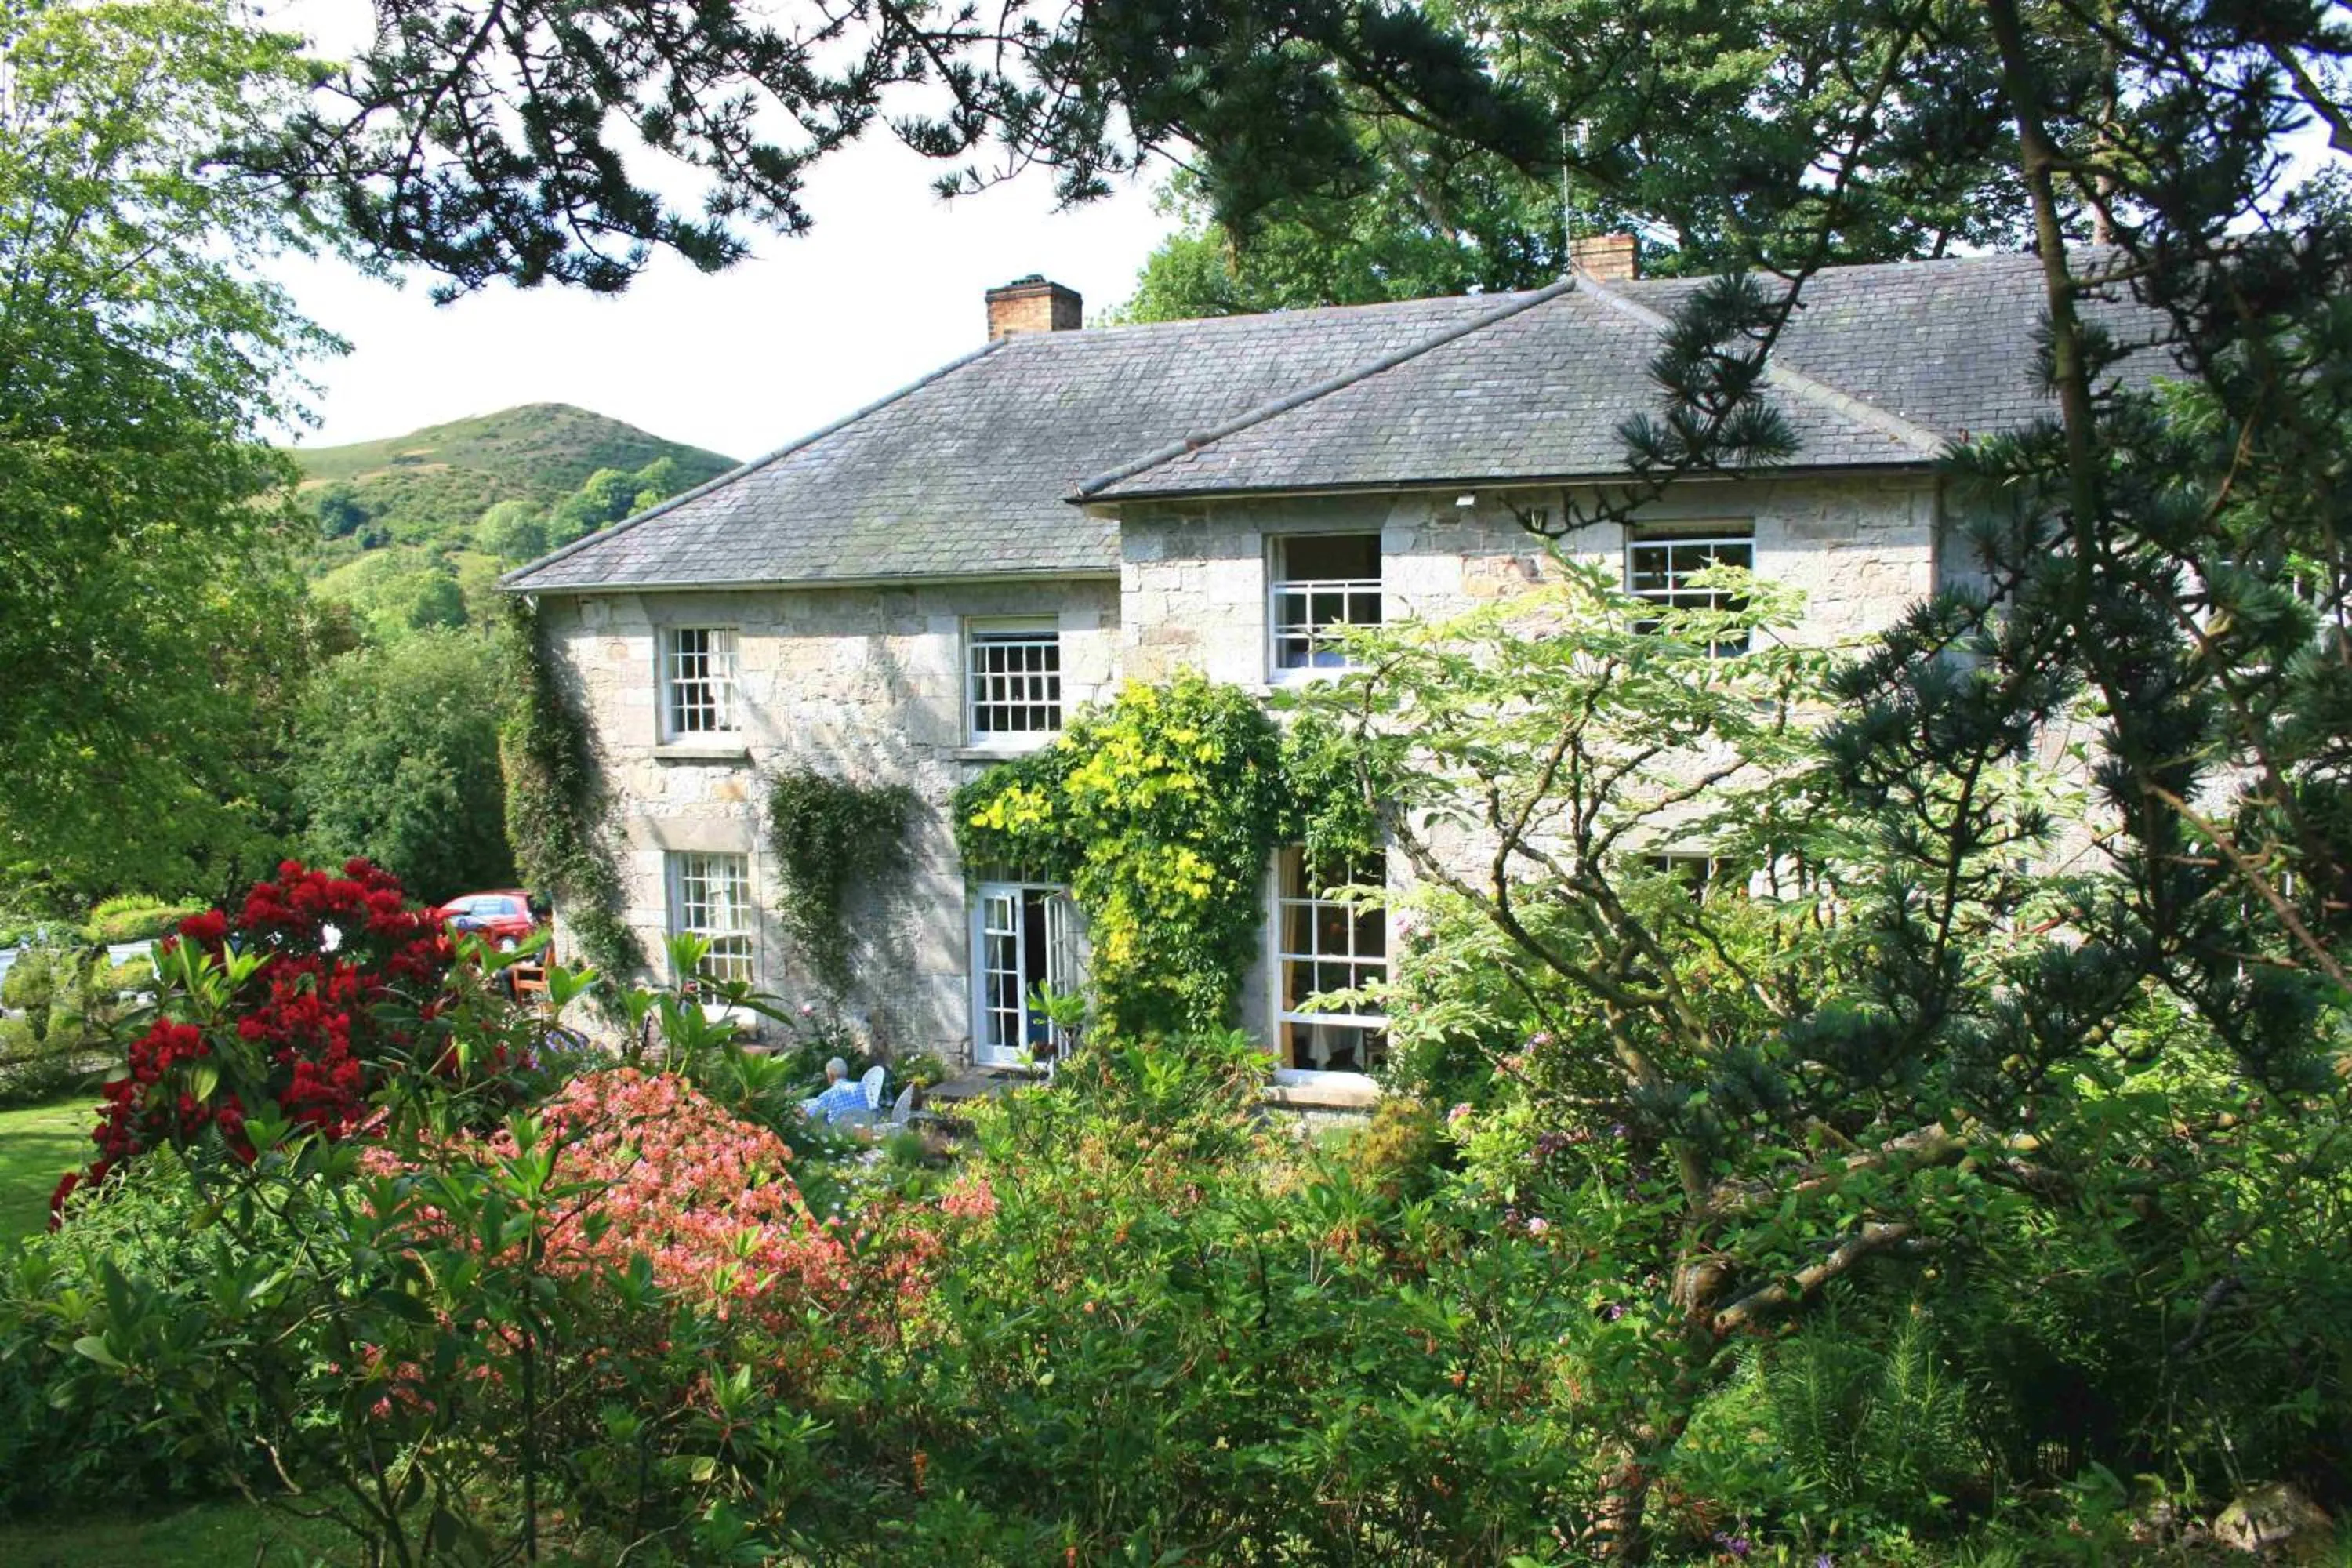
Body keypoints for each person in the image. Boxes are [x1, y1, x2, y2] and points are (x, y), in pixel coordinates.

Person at [800, 1056, 867, 1123]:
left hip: (842, 1132)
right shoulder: (862, 1087)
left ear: (831, 1075)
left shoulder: (830, 1094)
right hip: (867, 1129)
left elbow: (810, 1112)